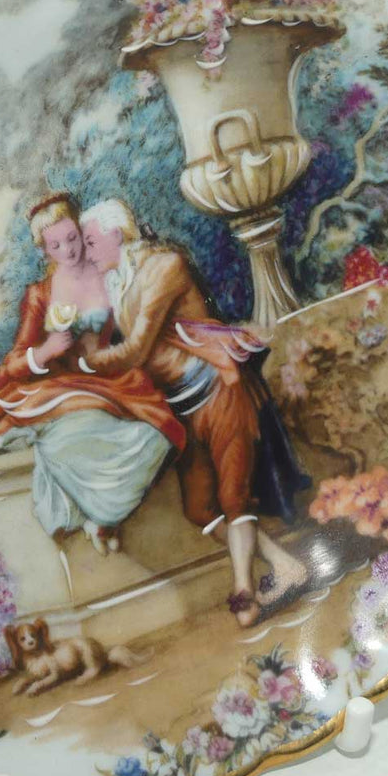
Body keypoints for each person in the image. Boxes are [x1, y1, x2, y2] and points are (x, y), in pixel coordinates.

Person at [79, 199, 310, 627]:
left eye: (91, 242)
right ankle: (285, 565)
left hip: (220, 390)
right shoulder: (118, 282)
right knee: (200, 509)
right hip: (183, 406)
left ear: (115, 234)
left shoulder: (164, 267)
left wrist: (89, 360)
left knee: (233, 499)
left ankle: (244, 594)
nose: (87, 252)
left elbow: (136, 349)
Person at [0, 193, 184, 553]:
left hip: (106, 378)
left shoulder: (110, 271)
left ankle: (103, 516)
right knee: (66, 434)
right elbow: (16, 359)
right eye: (56, 245)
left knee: (155, 434)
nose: (68, 250)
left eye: (72, 238)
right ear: (44, 250)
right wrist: (45, 352)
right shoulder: (41, 294)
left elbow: (136, 325)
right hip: (55, 382)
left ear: (82, 232)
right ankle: (93, 515)